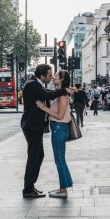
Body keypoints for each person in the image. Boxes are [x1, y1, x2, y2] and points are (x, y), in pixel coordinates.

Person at [21, 64, 72, 198]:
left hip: (37, 126)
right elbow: (46, 95)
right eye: (49, 76)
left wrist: (65, 91)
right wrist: (64, 90)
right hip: (32, 126)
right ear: (42, 76)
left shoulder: (36, 83)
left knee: (39, 155)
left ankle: (30, 186)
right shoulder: (32, 84)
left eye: (53, 76)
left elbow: (48, 94)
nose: (51, 78)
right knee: (34, 156)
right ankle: (28, 189)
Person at [36, 70, 73, 198]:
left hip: (59, 128)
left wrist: (43, 108)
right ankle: (63, 187)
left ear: (62, 79)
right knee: (60, 160)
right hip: (57, 128)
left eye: (56, 76)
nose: (53, 78)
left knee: (60, 160)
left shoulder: (62, 96)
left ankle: (63, 190)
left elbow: (60, 115)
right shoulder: (60, 93)